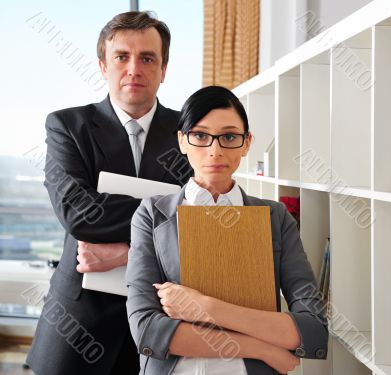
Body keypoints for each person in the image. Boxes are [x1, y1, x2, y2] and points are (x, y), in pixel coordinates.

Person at [27, 11, 192, 375]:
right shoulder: (67, 126)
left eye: (147, 58)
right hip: (78, 325)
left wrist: (127, 255)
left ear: (164, 69)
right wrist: (164, 217)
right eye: (122, 57)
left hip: (162, 321)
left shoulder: (190, 134)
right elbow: (79, 213)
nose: (134, 69)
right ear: (103, 65)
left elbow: (199, 225)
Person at [126, 86, 328, 375]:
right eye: (200, 135)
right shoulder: (151, 214)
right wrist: (261, 347)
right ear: (182, 141)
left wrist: (203, 307)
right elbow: (146, 330)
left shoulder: (275, 217)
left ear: (247, 143)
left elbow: (311, 327)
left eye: (230, 137)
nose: (215, 150)